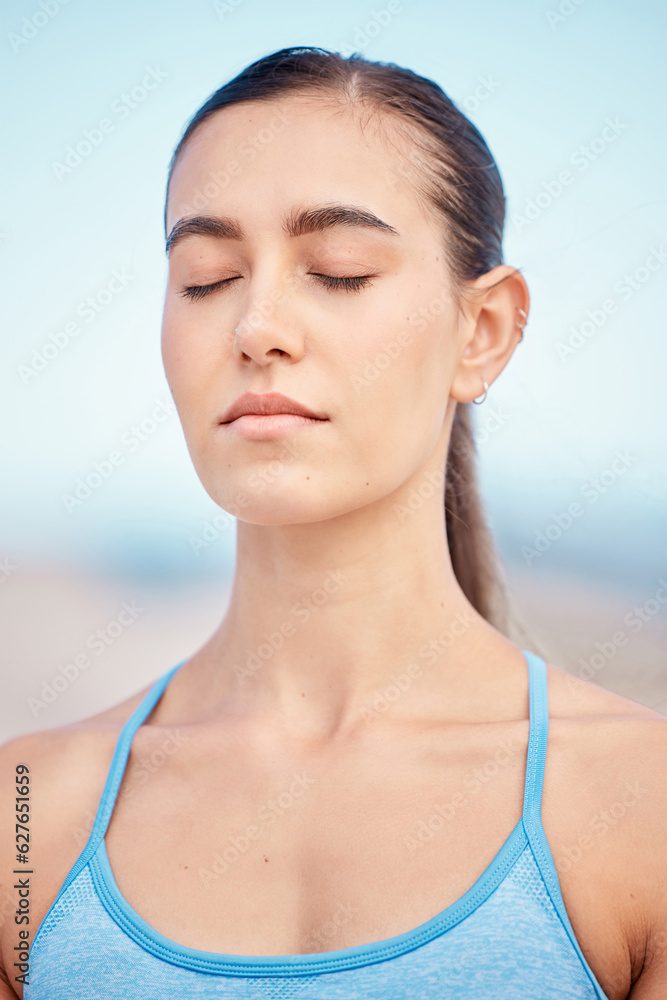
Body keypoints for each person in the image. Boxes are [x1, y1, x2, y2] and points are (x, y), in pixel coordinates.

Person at [1, 45, 665, 1000]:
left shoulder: (642, 806)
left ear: (481, 333)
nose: (256, 324)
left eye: (340, 271)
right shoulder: (25, 815)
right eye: (206, 275)